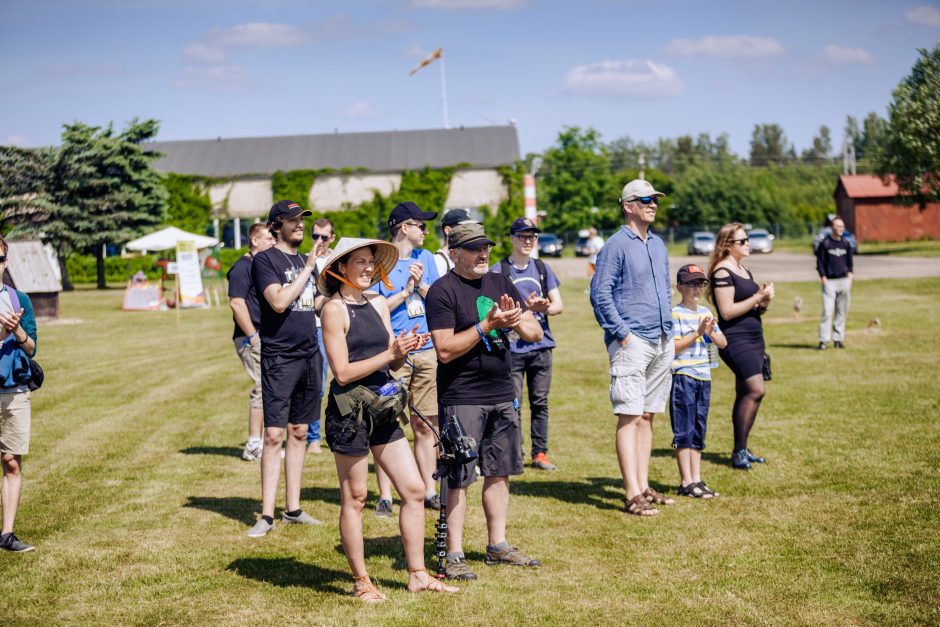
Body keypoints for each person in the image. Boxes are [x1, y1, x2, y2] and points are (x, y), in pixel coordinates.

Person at [319, 237, 458, 602]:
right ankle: (362, 581)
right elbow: (343, 373)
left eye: (370, 262)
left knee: (413, 490)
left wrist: (402, 350)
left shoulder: (378, 302)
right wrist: (389, 355)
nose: (368, 268)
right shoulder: (333, 310)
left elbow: (391, 359)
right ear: (341, 269)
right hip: (349, 411)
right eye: (360, 262)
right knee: (357, 497)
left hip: (381, 406)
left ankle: (417, 574)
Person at [426, 222, 545, 581]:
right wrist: (486, 326)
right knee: (459, 476)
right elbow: (445, 350)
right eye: (474, 248)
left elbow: (535, 331)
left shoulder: (500, 282)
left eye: (486, 247)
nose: (483, 254)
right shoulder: (441, 291)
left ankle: (497, 545)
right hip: (462, 395)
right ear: (453, 252)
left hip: (501, 393)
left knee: (499, 470)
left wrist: (515, 322)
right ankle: (455, 554)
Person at [590, 179, 675, 517]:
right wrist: (622, 333)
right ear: (628, 205)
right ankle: (631, 494)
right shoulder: (615, 245)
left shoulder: (657, 243)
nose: (652, 204)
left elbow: (665, 289)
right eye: (645, 199)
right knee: (629, 414)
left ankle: (643, 485)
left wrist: (668, 328)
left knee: (647, 415)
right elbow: (600, 294)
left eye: (655, 199)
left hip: (661, 338)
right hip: (633, 339)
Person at [247, 200, 324, 537]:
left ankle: (292, 508)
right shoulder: (266, 260)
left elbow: (316, 302)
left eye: (302, 219)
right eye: (293, 220)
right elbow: (278, 301)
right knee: (274, 434)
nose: (300, 225)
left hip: (310, 354)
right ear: (276, 225)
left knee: (300, 432)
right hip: (280, 356)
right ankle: (266, 514)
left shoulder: (306, 262)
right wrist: (308, 268)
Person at [372, 202, 442, 516]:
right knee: (387, 423)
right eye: (420, 225)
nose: (425, 231)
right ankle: (385, 496)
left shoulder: (426, 258)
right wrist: (406, 290)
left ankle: (429, 490)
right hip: (393, 352)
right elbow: (374, 308)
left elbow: (442, 302)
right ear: (404, 227)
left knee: (425, 424)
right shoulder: (380, 260)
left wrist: (423, 285)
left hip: (426, 351)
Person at [490, 217, 564, 471]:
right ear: (511, 239)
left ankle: (540, 453)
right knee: (514, 403)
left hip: (541, 346)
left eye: (532, 236)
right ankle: (515, 452)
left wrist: (544, 307)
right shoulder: (498, 270)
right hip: (511, 348)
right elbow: (489, 309)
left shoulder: (542, 268)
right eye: (522, 236)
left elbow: (558, 305)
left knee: (540, 402)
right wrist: (524, 310)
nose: (528, 241)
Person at [707, 223, 775, 471]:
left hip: (755, 336)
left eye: (747, 240)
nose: (748, 244)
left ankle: (741, 449)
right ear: (727, 245)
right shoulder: (721, 271)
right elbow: (726, 312)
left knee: (745, 392)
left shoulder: (743, 268)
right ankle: (738, 452)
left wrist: (764, 301)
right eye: (742, 241)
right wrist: (758, 297)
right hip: (735, 339)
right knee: (756, 390)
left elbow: (753, 308)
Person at [670, 264, 727, 498]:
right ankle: (686, 481)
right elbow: (672, 348)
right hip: (684, 377)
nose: (697, 289)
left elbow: (722, 343)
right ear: (679, 287)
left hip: (704, 376)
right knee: (684, 429)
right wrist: (696, 334)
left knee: (698, 429)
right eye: (691, 284)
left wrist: (710, 331)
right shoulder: (675, 314)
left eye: (701, 284)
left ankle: (696, 479)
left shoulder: (705, 312)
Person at [0, 234, 39, 552]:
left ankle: (7, 534)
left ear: (6, 260)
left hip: (14, 391)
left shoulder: (19, 300)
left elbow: (32, 347)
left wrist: (17, 331)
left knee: (11, 461)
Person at [228, 222, 276, 462]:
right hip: (251, 337)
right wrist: (252, 337)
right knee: (261, 387)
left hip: (264, 335)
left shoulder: (261, 265)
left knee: (268, 388)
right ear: (255, 240)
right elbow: (237, 303)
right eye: (269, 238)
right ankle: (253, 444)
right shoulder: (242, 267)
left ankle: (265, 441)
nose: (273, 242)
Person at [306, 217, 337, 454]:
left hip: (340, 325)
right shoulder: (304, 260)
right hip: (314, 327)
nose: (319, 240)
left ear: (332, 238)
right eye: (315, 235)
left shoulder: (339, 259)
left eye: (323, 237)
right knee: (317, 384)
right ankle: (313, 437)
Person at [816, 217, 853, 350]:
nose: (841, 229)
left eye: (842, 226)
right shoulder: (825, 244)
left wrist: (849, 278)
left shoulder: (846, 244)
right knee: (827, 312)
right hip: (829, 282)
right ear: (832, 228)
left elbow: (850, 264)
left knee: (841, 312)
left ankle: (838, 339)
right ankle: (823, 341)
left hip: (843, 281)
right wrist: (824, 278)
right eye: (838, 226)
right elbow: (819, 263)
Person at [434, 208, 475, 277]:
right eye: (464, 228)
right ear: (448, 231)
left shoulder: (461, 258)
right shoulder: (439, 261)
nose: (468, 232)